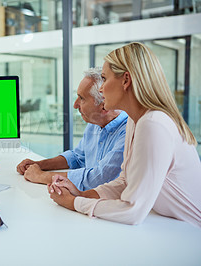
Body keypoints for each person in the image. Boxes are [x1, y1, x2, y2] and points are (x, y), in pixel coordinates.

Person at [48, 42, 201, 228]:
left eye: (104, 79)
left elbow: (132, 210)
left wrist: (73, 203)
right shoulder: (136, 120)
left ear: (126, 80)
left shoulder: (153, 124)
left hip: (192, 235)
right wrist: (80, 194)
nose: (101, 89)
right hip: (171, 228)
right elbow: (125, 181)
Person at [16, 67, 128, 191]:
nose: (75, 105)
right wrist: (39, 165)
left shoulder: (127, 132)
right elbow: (77, 157)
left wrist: (41, 176)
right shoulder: (94, 123)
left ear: (104, 106)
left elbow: (99, 178)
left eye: (82, 98)